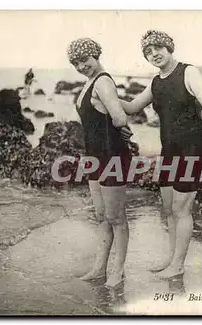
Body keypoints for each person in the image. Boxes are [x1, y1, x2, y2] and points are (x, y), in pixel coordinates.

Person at [120, 30, 202, 279]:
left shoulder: (188, 72)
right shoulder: (156, 82)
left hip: (192, 148)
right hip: (169, 150)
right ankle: (172, 257)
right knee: (168, 207)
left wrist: (193, 123)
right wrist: (104, 93)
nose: (154, 54)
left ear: (169, 47)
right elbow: (132, 107)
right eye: (148, 52)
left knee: (181, 209)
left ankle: (178, 265)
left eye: (158, 48)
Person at [67, 38, 133, 287]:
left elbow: (117, 116)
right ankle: (99, 268)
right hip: (95, 156)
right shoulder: (90, 83)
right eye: (76, 62)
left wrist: (123, 129)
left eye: (85, 59)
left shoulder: (103, 81)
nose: (81, 65)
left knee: (116, 217)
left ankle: (118, 271)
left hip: (112, 156)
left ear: (96, 55)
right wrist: (124, 128)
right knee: (102, 216)